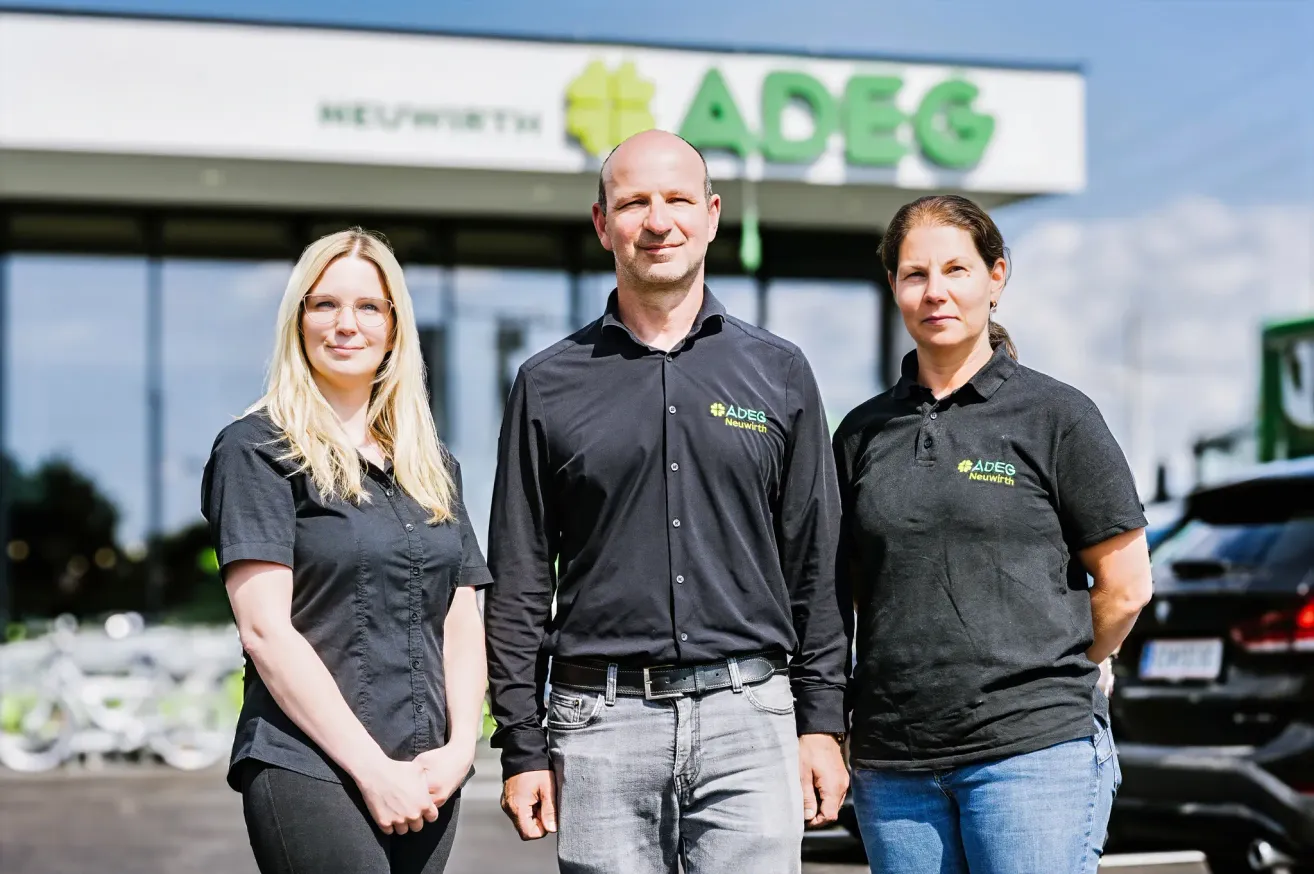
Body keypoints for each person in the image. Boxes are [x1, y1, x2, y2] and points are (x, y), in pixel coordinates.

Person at [483, 129, 850, 874]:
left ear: (711, 215)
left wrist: (823, 723)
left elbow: (816, 564)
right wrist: (521, 742)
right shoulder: (548, 383)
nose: (658, 221)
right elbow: (519, 579)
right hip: (599, 728)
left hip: (751, 719)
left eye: (679, 199)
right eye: (635, 203)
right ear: (602, 223)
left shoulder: (778, 373)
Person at [832, 194, 1154, 874]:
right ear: (893, 287)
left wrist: (1060, 662)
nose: (936, 291)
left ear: (996, 276)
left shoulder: (1057, 416)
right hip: (895, 765)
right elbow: (854, 591)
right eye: (915, 274)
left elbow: (1126, 586)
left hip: (1032, 755)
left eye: (957, 269)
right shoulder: (860, 434)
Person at [201, 228, 490, 874]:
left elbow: (461, 616)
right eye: (324, 304)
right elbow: (265, 631)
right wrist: (370, 769)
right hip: (311, 765)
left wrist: (460, 749)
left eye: (368, 307)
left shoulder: (432, 465)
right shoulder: (256, 452)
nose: (345, 324)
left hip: (426, 772)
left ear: (394, 327)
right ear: (297, 321)